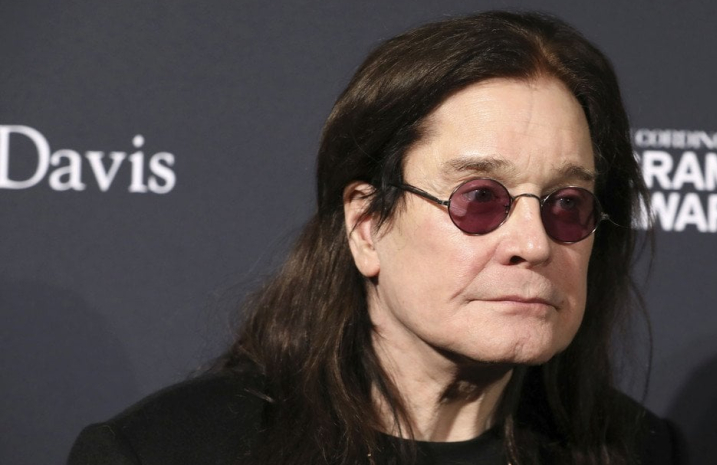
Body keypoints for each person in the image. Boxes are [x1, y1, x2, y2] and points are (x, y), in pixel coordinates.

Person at [69, 10, 680, 465]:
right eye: (480, 199)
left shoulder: (640, 451)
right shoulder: (164, 452)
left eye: (567, 204)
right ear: (366, 224)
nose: (535, 244)